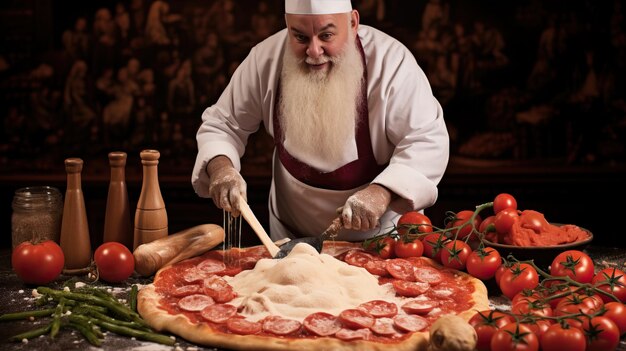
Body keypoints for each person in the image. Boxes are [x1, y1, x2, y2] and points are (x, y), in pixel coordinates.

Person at [192, 0, 449, 242]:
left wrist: (380, 193)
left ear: (352, 23)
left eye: (326, 36)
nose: (314, 51)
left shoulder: (392, 64)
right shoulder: (265, 59)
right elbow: (222, 125)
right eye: (300, 37)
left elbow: (426, 141)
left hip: (382, 242)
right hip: (290, 240)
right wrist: (221, 169)